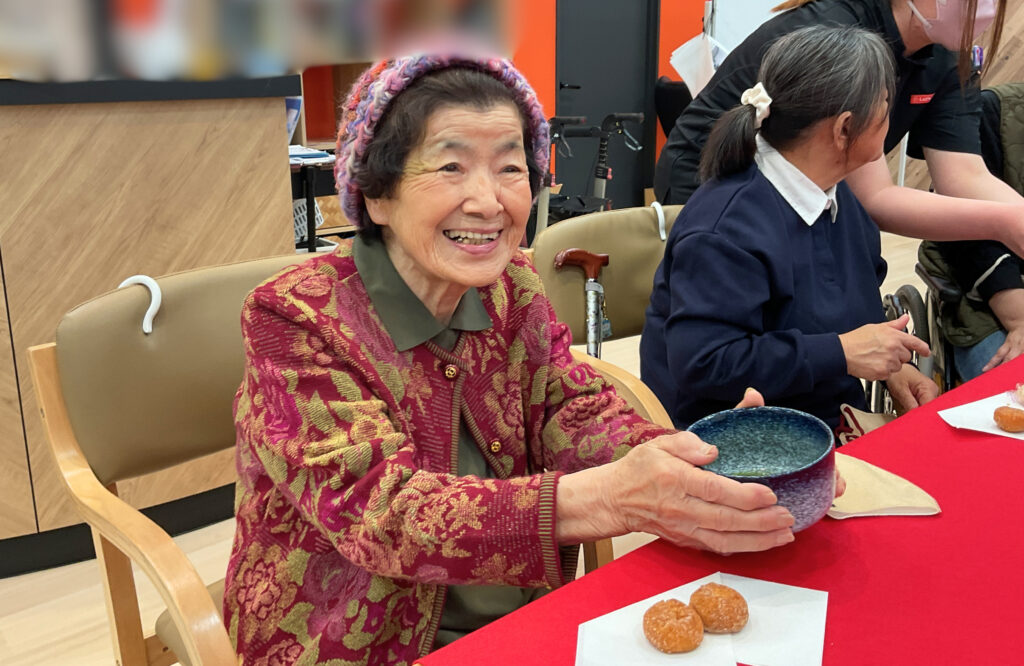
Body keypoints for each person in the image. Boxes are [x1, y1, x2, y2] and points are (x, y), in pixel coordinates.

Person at [223, 52, 806, 665]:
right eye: (450, 166)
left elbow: (570, 410)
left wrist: (684, 458)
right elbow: (381, 513)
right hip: (362, 640)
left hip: (526, 613)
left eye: (510, 168)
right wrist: (607, 497)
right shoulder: (295, 318)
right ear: (376, 195)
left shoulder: (512, 285)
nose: (488, 201)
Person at [640, 26, 939, 432]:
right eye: (885, 105)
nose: (891, 117)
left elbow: (857, 305)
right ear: (844, 128)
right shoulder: (725, 228)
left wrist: (894, 368)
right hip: (733, 438)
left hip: (824, 418)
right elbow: (704, 363)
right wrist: (840, 353)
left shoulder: (838, 198)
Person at [653, 0, 1024, 258]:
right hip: (712, 175)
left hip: (805, 191)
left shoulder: (947, 59)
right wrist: (1003, 221)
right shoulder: (839, 37)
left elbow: (965, 176)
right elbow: (876, 198)